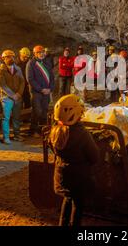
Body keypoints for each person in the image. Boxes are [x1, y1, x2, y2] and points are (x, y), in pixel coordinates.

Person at [47, 94, 99, 226]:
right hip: (79, 178)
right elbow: (94, 156)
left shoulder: (54, 131)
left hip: (61, 175)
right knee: (78, 204)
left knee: (68, 198)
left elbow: (54, 150)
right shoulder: (82, 134)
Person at [0, 50, 25, 144]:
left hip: (17, 97)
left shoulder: (18, 69)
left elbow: (22, 82)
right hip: (6, 97)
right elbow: (2, 85)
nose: (11, 58)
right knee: (6, 118)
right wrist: (13, 95)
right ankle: (6, 137)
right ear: (3, 59)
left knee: (17, 117)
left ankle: (17, 135)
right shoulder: (0, 70)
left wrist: (19, 94)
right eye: (8, 57)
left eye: (12, 56)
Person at [27, 45, 55, 137]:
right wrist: (41, 89)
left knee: (44, 111)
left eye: (42, 52)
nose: (41, 54)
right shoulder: (31, 64)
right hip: (36, 92)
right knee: (37, 111)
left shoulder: (47, 63)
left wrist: (50, 88)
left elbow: (51, 77)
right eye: (39, 52)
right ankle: (33, 130)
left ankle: (42, 130)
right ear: (35, 54)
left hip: (46, 91)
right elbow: (30, 79)